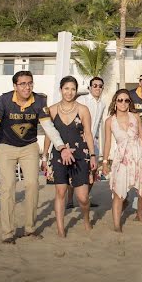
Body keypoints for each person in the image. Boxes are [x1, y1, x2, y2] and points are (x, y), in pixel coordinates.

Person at [0, 70, 68, 244]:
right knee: (8, 188)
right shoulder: (4, 100)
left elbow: (49, 128)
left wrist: (61, 146)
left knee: (32, 184)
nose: (27, 87)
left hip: (29, 147)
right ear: (15, 86)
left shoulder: (39, 101)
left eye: (30, 83)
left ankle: (30, 228)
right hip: (6, 146)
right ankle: (8, 233)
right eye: (23, 84)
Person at [43, 76, 96, 237]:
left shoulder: (83, 110)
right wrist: (44, 157)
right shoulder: (51, 110)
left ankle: (86, 219)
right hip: (58, 156)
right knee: (60, 192)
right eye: (66, 88)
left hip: (81, 155)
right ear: (61, 90)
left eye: (73, 89)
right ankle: (60, 229)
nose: (69, 92)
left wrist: (93, 156)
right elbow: (48, 135)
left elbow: (88, 133)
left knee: (83, 197)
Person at [103, 88, 142, 232]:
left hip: (140, 156)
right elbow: (107, 142)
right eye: (120, 100)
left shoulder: (135, 116)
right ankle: (116, 225)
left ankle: (139, 215)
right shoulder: (109, 121)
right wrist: (105, 162)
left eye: (127, 100)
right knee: (119, 194)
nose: (123, 103)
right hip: (122, 159)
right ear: (115, 101)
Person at [77, 76, 106, 199]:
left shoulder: (103, 104)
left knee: (93, 170)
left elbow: (99, 123)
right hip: (79, 139)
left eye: (100, 86)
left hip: (93, 141)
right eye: (95, 85)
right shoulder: (82, 100)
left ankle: (85, 198)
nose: (97, 88)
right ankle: (69, 200)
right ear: (90, 87)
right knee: (75, 169)